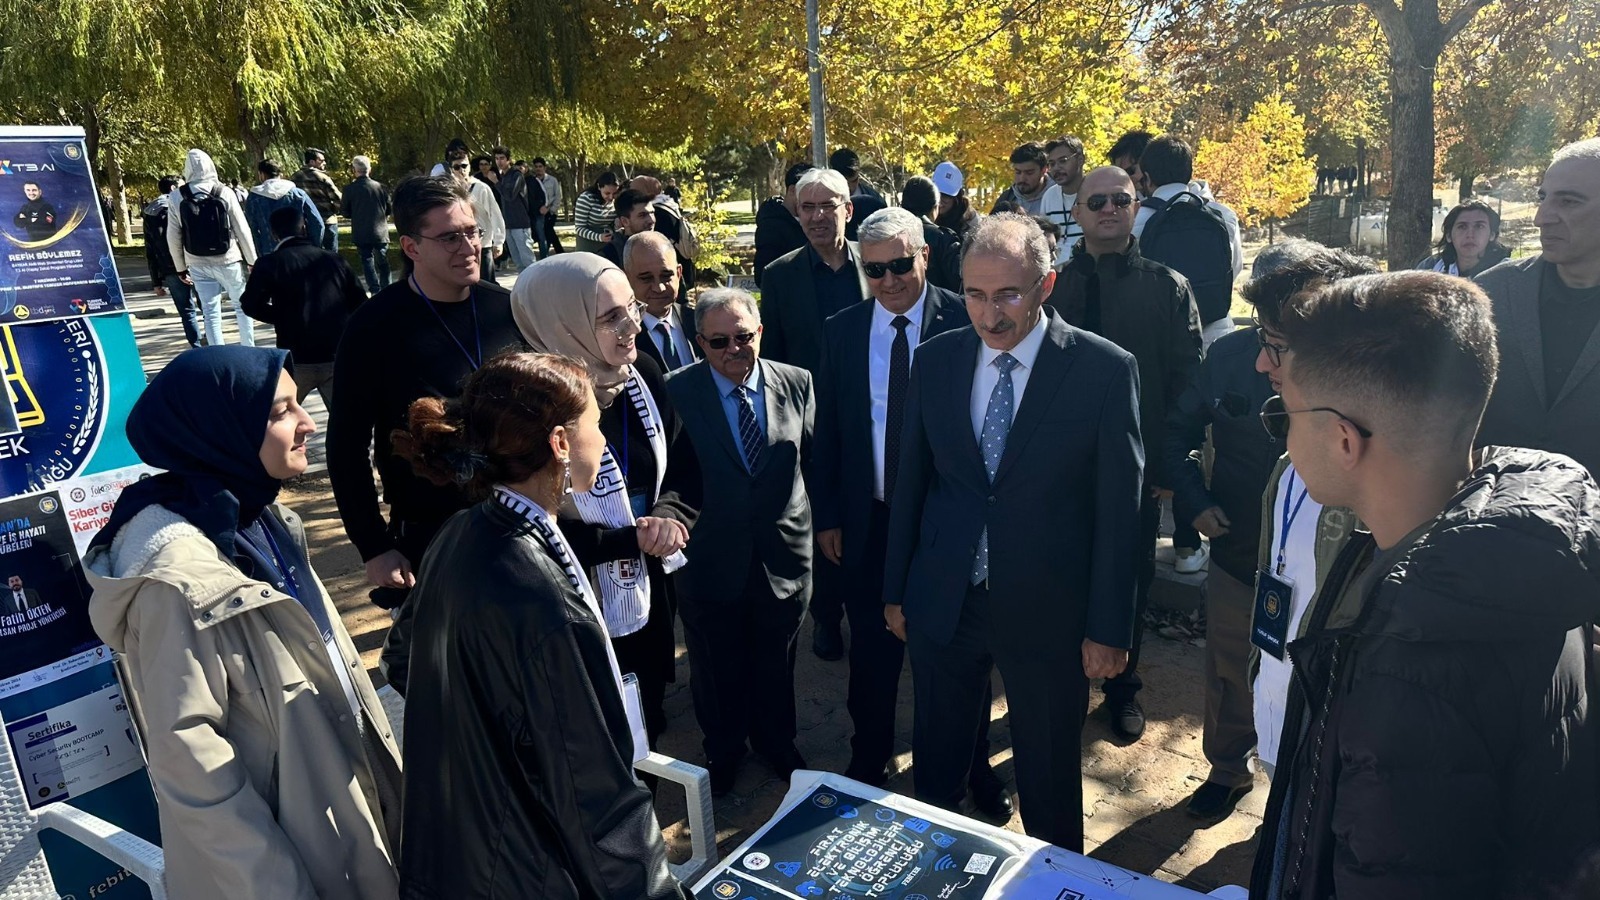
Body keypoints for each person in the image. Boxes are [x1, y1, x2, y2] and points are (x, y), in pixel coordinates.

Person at [1249, 270, 1600, 898]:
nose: (1284, 432)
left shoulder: (1409, 671)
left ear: (1342, 439)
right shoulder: (1525, 546)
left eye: (1285, 417)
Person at [84, 346, 402, 900]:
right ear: (217, 430)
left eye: (298, 404)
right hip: (290, 865)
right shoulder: (175, 581)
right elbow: (193, 770)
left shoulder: (263, 521)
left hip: (346, 830)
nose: (307, 423)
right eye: (280, 413)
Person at [883, 213, 1143, 851]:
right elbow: (911, 482)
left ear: (1046, 284)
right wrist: (897, 589)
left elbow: (1121, 513)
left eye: (1008, 294)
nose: (989, 313)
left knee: (1050, 782)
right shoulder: (936, 360)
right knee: (937, 772)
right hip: (947, 600)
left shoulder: (1103, 370)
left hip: (1050, 612)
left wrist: (1110, 628)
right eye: (974, 293)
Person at [391, 352, 690, 899]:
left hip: (466, 844)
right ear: (558, 444)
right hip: (528, 868)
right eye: (595, 427)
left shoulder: (462, 531)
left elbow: (402, 661)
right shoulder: (544, 600)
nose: (604, 445)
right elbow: (596, 804)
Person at [811, 207, 1010, 818]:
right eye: (876, 270)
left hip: (945, 526)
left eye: (901, 264)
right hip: (870, 520)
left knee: (959, 657)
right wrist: (829, 516)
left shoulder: (968, 317)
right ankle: (868, 757)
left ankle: (972, 767)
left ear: (925, 254)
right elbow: (831, 435)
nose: (891, 280)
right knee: (871, 652)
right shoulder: (843, 330)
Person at [328, 176, 525, 675]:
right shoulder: (373, 326)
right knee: (458, 674)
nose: (469, 247)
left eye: (473, 232)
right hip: (432, 531)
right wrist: (373, 546)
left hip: (521, 519)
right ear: (411, 246)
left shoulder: (506, 308)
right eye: (450, 237)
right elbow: (346, 446)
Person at [510, 253, 697, 746]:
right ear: (562, 323)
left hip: (648, 581)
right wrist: (622, 539)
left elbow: (681, 461)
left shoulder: (644, 376)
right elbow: (523, 521)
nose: (632, 324)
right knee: (591, 731)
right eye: (610, 316)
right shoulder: (526, 406)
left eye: (631, 308)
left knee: (646, 713)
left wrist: (668, 516)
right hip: (570, 605)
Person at [1162, 239, 1318, 819]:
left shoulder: (1346, 365)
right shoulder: (1229, 357)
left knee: (1308, 676)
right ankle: (1228, 769)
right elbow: (1174, 437)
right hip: (1237, 549)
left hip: (1316, 563)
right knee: (1229, 669)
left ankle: (1296, 790)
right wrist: (1194, 504)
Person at [1050, 165, 1202, 742]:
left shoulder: (1167, 286)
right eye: (1097, 201)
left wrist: (1168, 467)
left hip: (1135, 471)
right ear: (1079, 212)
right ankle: (1060, 684)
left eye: (1121, 199)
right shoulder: (1054, 286)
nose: (1109, 209)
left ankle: (1122, 689)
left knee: (1128, 578)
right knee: (1061, 576)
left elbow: (1188, 382)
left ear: (1136, 206)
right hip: (1058, 469)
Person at [664, 288, 816, 795]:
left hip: (782, 557)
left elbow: (812, 461)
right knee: (714, 664)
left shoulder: (797, 382)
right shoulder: (674, 391)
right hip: (709, 559)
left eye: (743, 337)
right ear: (700, 342)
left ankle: (778, 742)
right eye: (718, 341)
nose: (733, 349)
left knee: (778, 659)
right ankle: (723, 750)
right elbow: (670, 476)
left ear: (760, 333)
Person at [1246, 246, 1375, 783]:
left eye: (1276, 347)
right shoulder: (1287, 462)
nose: (1260, 364)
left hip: (1338, 760)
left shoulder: (1380, 489)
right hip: (1280, 717)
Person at [758, 167, 868, 660]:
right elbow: (773, 356)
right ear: (796, 213)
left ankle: (874, 608)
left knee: (870, 513)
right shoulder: (780, 275)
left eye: (829, 205)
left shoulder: (879, 265)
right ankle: (827, 617)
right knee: (819, 516)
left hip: (874, 415)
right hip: (811, 424)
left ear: (849, 209)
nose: (819, 216)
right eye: (808, 207)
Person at [1477, 138, 1600, 479]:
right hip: (1489, 518)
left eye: (1569, 202)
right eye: (1543, 198)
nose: (1541, 218)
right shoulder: (1492, 294)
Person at [240, 208, 368, 412]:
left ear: (273, 233)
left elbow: (249, 304)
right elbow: (361, 304)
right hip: (336, 354)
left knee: (278, 419)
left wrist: (283, 317)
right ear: (304, 227)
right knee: (345, 424)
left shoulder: (269, 264)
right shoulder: (334, 260)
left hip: (296, 356)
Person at [1133, 135, 1244, 348]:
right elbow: (1234, 268)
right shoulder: (1223, 215)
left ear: (1146, 177)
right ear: (1188, 173)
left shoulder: (1137, 219)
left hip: (1162, 334)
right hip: (1216, 329)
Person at [167, 148, 259, 347]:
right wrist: (252, 260)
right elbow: (242, 228)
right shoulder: (224, 191)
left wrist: (180, 268)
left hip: (196, 261)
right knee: (241, 306)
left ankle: (218, 354)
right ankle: (248, 348)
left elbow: (173, 236)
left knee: (210, 312)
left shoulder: (176, 197)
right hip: (228, 259)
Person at [142, 174, 203, 347]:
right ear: (173, 188)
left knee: (186, 310)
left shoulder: (150, 212)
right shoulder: (183, 204)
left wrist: (156, 281)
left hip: (168, 268)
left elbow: (150, 249)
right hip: (193, 261)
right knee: (207, 304)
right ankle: (214, 340)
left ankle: (196, 346)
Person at [625, 232, 699, 372]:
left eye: (666, 276)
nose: (659, 288)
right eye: (646, 278)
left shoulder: (699, 323)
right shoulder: (621, 337)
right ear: (627, 278)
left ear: (678, 274)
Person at [244, 160, 326, 258]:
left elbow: (252, 228)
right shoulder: (298, 193)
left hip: (269, 251)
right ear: (280, 174)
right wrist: (314, 245)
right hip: (300, 250)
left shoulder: (254, 197)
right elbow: (317, 223)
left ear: (262, 174)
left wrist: (259, 252)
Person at [445, 149, 506, 280]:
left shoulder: (481, 188)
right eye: (457, 167)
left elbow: (494, 214)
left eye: (464, 166)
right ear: (451, 169)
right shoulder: (450, 191)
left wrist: (499, 241)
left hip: (483, 244)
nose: (461, 170)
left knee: (487, 281)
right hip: (463, 244)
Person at [898, 175, 962, 292]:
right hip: (941, 306)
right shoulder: (944, 239)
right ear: (935, 207)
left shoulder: (891, 235)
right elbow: (959, 282)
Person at [1417, 198, 1509, 278]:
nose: (1470, 234)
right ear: (1449, 236)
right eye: (1462, 227)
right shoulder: (1430, 268)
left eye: (1479, 226)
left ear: (1492, 235)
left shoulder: (1507, 273)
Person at [753, 162, 813, 286]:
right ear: (792, 190)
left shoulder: (810, 218)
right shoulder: (771, 227)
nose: (812, 200)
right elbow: (763, 277)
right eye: (807, 193)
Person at [342, 155, 392, 293]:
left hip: (361, 230)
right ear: (369, 169)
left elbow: (345, 212)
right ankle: (387, 287)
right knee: (383, 260)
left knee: (366, 259)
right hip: (380, 229)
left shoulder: (349, 189)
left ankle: (374, 288)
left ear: (354, 170)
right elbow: (388, 208)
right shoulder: (381, 187)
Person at [492, 146, 544, 272]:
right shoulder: (503, 176)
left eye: (502, 158)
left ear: (509, 160)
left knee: (528, 261)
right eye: (497, 158)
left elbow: (510, 195)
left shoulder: (516, 175)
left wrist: (496, 182)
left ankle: (535, 288)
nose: (499, 161)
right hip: (508, 224)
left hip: (520, 224)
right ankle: (524, 289)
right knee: (518, 262)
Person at [292, 147, 343, 252]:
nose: (324, 163)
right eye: (321, 160)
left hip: (306, 222)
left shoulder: (294, 178)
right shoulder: (322, 177)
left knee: (312, 254)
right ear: (312, 162)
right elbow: (337, 198)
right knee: (331, 255)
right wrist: (335, 209)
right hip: (327, 220)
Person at [1044, 135, 1086, 249]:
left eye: (1063, 161)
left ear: (1080, 160)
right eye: (1052, 164)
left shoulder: (1097, 191)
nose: (1056, 168)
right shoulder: (1049, 196)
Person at [599, 187, 655, 266]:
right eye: (642, 215)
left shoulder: (662, 246)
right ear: (625, 221)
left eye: (652, 213)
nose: (651, 220)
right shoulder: (610, 256)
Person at [573, 171, 619, 254]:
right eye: (607, 193)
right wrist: (599, 237)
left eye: (614, 193)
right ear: (599, 187)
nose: (611, 197)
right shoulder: (586, 198)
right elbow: (579, 228)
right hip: (587, 245)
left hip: (607, 245)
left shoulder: (617, 200)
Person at [932, 162, 979, 240]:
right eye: (936, 193)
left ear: (956, 198)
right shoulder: (922, 212)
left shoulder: (970, 221)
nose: (939, 200)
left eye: (946, 196)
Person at [531, 157, 563, 256]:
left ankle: (548, 254)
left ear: (544, 167)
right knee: (546, 233)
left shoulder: (552, 180)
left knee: (548, 231)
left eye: (540, 166)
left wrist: (552, 210)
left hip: (550, 212)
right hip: (538, 213)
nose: (538, 169)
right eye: (536, 167)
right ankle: (557, 253)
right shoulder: (532, 181)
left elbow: (558, 196)